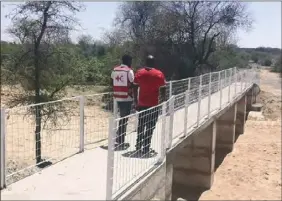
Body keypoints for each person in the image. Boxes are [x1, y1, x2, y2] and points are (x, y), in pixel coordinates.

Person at [133, 55, 166, 155]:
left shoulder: (139, 73)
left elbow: (134, 87)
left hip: (142, 104)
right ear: (154, 63)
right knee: (150, 126)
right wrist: (162, 101)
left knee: (141, 125)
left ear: (145, 62)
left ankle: (138, 146)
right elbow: (163, 88)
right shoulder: (159, 74)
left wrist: (135, 101)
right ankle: (146, 147)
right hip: (154, 104)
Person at [111, 54, 134, 149]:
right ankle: (120, 139)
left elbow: (112, 80)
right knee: (124, 119)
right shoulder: (129, 71)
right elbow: (132, 81)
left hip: (117, 96)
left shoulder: (115, 69)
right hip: (126, 97)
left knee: (122, 118)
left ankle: (119, 136)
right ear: (128, 61)